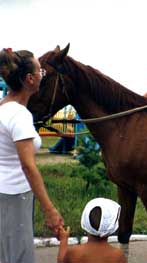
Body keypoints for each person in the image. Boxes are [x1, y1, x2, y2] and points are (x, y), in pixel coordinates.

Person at [0, 48, 64, 263]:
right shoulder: (19, 115)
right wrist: (50, 211)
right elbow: (28, 166)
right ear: (29, 79)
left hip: (4, 191)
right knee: (19, 256)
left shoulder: (3, 108)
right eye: (40, 71)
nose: (42, 76)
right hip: (14, 195)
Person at [57, 197, 126, 263]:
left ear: (85, 222)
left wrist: (63, 240)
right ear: (112, 227)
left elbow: (61, 261)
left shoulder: (74, 253)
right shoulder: (118, 256)